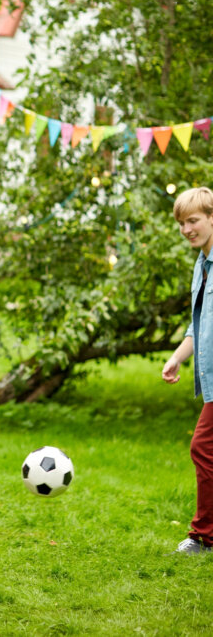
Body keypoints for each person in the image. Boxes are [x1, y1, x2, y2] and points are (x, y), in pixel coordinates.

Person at [161, 187, 213, 555]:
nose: (186, 229)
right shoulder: (202, 264)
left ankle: (204, 536)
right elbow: (199, 325)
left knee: (203, 447)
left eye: (193, 220)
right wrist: (178, 356)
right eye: (182, 223)